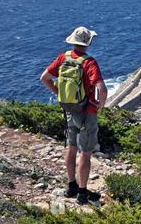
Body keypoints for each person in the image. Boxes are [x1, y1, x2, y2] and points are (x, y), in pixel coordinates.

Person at [40, 26, 108, 205]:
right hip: (87, 112)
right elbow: (102, 89)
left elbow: (44, 78)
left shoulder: (64, 57)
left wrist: (58, 94)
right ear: (88, 43)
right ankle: (83, 194)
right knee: (85, 153)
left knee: (71, 148)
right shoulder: (89, 62)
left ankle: (71, 186)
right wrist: (100, 106)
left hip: (70, 110)